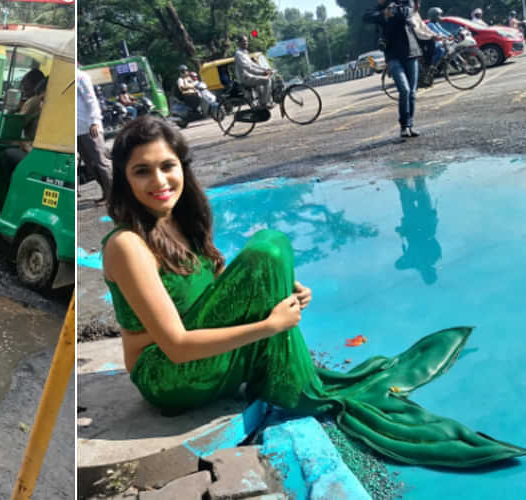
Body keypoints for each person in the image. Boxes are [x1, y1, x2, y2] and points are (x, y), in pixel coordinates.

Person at [102, 115, 526, 468]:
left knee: (271, 254)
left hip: (201, 361)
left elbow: (219, 291)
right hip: (168, 377)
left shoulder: (181, 220)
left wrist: (282, 292)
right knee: (267, 248)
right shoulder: (127, 245)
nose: (159, 180)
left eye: (167, 166)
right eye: (142, 171)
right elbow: (175, 346)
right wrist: (270, 326)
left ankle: (292, 378)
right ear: (124, 178)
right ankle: (298, 388)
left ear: (183, 168)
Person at [365, 0, 421, 138]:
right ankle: (404, 126)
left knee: (412, 93)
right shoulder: (381, 9)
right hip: (393, 56)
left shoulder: (403, 4)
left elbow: (407, 12)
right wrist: (384, 13)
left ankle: (410, 124)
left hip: (411, 52)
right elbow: (366, 17)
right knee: (404, 90)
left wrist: (394, 10)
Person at [76, 68, 113, 204]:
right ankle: (105, 192)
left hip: (89, 126)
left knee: (101, 162)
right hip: (77, 130)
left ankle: (113, 195)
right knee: (90, 166)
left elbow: (91, 99)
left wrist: (94, 121)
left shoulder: (80, 76)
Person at [234, 35, 274, 109]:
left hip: (250, 76)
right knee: (267, 80)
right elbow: (248, 68)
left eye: (246, 41)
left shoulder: (245, 52)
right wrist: (262, 73)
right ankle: (263, 103)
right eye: (244, 41)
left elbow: (253, 64)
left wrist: (265, 69)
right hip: (245, 78)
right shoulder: (238, 54)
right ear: (239, 43)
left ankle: (260, 105)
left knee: (262, 84)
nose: (246, 43)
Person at [410, 0, 443, 78]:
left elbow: (423, 26)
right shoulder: (410, 14)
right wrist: (431, 37)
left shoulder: (416, 14)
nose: (419, 5)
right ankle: (427, 65)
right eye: (418, 3)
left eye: (419, 3)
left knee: (432, 45)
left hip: (420, 37)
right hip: (414, 38)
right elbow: (417, 31)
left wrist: (433, 35)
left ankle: (427, 66)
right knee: (430, 43)